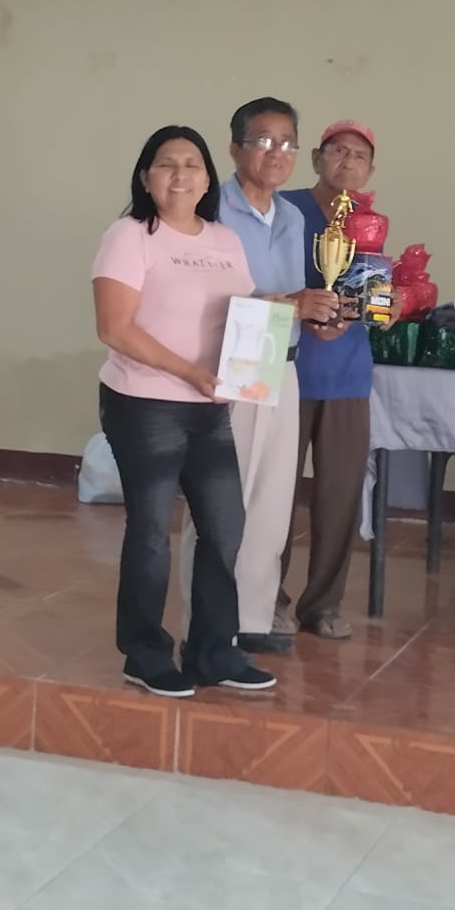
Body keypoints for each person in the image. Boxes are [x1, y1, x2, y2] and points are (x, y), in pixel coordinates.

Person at [91, 126, 276, 697]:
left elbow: (241, 312)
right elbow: (114, 328)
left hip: (208, 406)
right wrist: (190, 372)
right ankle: (144, 654)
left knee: (224, 528)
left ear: (207, 177)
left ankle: (213, 652)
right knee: (151, 531)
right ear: (145, 177)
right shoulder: (130, 235)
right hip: (144, 402)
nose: (180, 174)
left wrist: (284, 312)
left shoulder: (225, 240)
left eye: (192, 164)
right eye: (166, 164)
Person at [178, 98, 339, 656]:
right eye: (263, 141)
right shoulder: (210, 210)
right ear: (234, 148)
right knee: (221, 499)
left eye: (287, 143)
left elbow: (288, 300)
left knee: (271, 498)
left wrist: (315, 318)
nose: (277, 153)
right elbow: (205, 299)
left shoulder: (293, 217)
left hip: (281, 360)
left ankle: (250, 617)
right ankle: (205, 623)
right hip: (229, 361)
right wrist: (293, 305)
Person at [279, 119, 381, 641]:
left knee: (340, 495)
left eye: (359, 155)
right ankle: (267, 598)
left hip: (346, 375)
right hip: (287, 369)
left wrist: (389, 306)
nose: (347, 161)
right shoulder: (284, 210)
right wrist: (303, 309)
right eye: (338, 151)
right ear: (318, 158)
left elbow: (376, 298)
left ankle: (322, 605)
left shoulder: (371, 223)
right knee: (275, 493)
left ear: (370, 171)